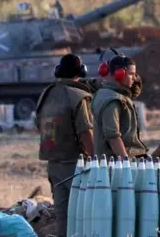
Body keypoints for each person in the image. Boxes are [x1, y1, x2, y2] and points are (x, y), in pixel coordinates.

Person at [34, 54, 95, 237]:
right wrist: (96, 160)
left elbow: (39, 125)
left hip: (53, 165)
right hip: (75, 165)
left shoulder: (46, 95)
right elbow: (85, 132)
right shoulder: (79, 97)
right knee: (84, 214)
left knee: (63, 216)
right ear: (81, 72)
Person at [92, 55, 148, 159]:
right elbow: (113, 137)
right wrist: (126, 165)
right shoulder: (113, 100)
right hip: (117, 165)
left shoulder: (104, 93)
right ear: (119, 74)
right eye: (131, 74)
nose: (134, 78)